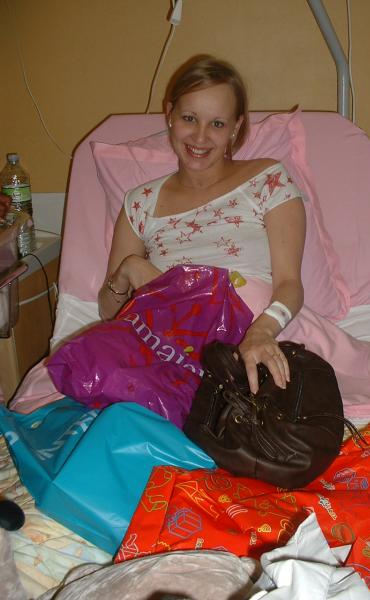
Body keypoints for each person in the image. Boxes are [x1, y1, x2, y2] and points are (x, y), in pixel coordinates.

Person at [98, 56, 306, 395]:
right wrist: (126, 272)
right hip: (167, 352)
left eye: (217, 124)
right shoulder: (140, 202)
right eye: (189, 118)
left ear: (236, 127)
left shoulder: (268, 180)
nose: (200, 136)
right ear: (170, 114)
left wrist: (262, 331)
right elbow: (109, 312)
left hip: (252, 346)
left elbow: (290, 284)